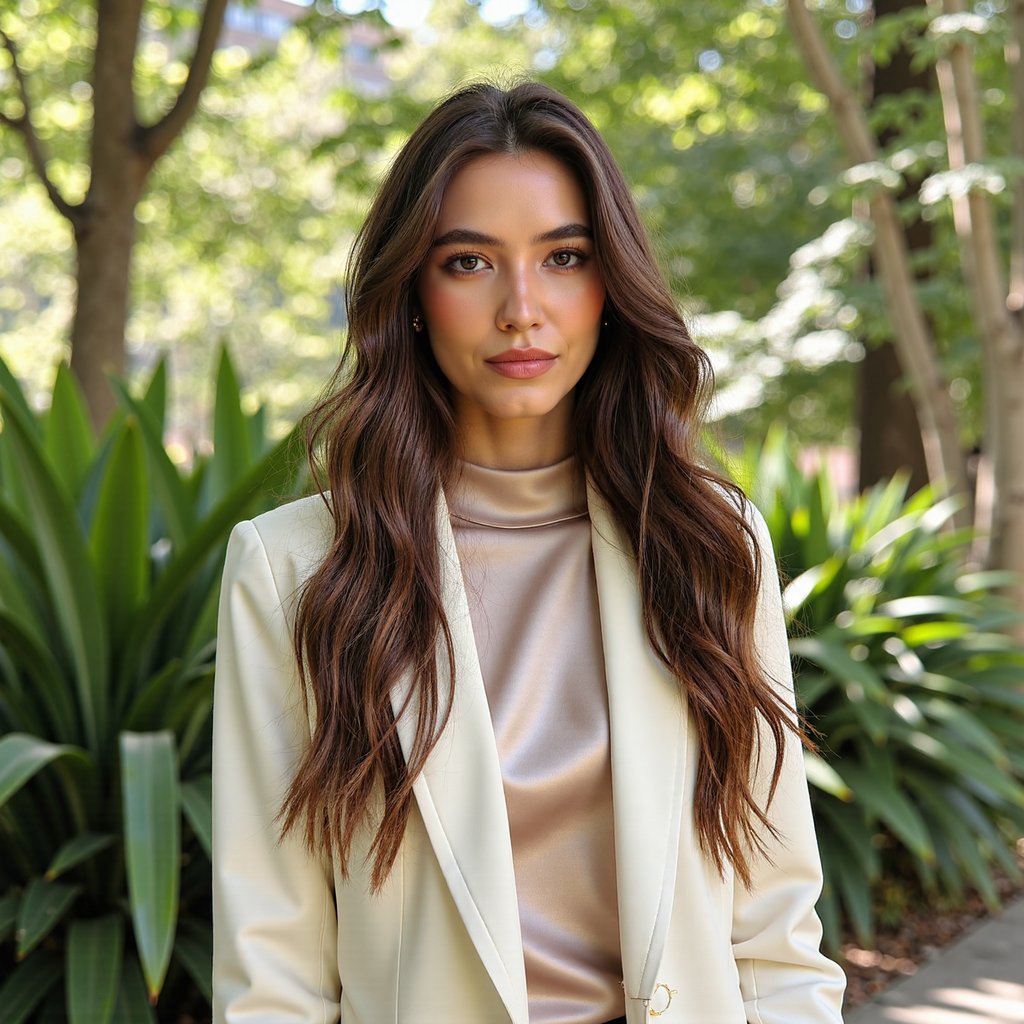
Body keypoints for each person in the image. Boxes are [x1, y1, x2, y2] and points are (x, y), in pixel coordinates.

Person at [212, 81, 847, 1024]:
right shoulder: (298, 568)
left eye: (565, 257)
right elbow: (274, 975)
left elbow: (775, 932)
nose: (522, 308)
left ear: (611, 284)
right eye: (469, 261)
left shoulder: (711, 544)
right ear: (412, 293)